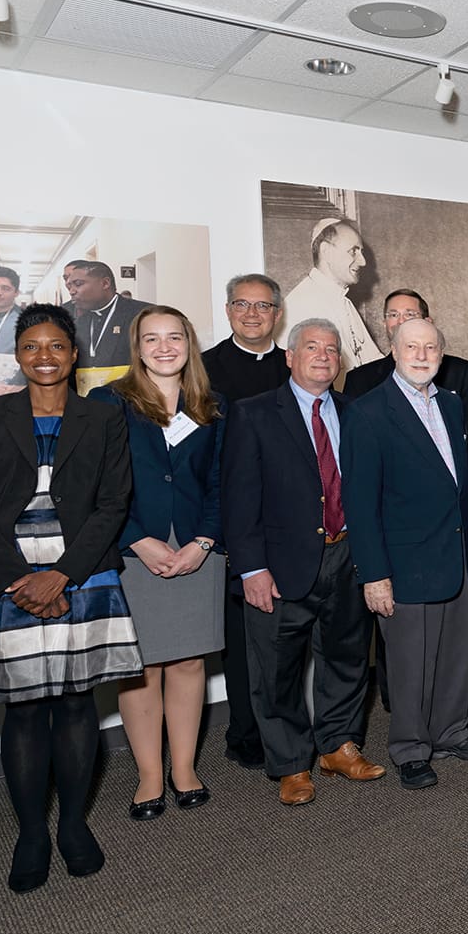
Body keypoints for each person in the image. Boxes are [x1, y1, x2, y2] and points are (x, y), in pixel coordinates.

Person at [0, 304, 140, 893]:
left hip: (84, 573)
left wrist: (63, 575)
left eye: (56, 346)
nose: (44, 357)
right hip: (8, 578)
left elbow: (113, 504)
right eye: (32, 347)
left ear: (74, 354)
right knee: (25, 709)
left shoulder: (101, 420)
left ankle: (74, 824)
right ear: (18, 355)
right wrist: (19, 578)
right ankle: (32, 832)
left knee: (78, 703)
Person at [222, 319, 386, 805]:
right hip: (278, 565)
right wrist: (251, 568)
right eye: (311, 347)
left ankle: (337, 745)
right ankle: (292, 764)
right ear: (289, 357)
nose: (323, 356)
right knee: (276, 670)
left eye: (332, 350)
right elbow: (238, 499)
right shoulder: (253, 414)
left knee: (348, 657)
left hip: (347, 555)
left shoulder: (357, 412)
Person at [343, 318, 468, 789]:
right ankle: (410, 749)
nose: (422, 354)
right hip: (402, 565)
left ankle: (451, 732)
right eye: (411, 346)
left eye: (431, 347)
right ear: (393, 350)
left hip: (455, 554)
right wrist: (373, 574)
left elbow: (462, 486)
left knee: (455, 656)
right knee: (410, 664)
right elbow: (360, 505)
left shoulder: (451, 405)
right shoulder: (368, 413)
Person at [88, 307, 225, 820]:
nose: (164, 347)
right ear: (137, 347)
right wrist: (137, 539)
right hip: (133, 552)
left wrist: (205, 540)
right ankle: (149, 774)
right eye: (152, 338)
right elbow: (97, 484)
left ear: (189, 343)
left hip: (198, 548)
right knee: (140, 667)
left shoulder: (212, 405)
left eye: (175, 337)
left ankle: (184, 768)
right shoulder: (109, 402)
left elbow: (220, 482)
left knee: (190, 661)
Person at [202, 272, 290, 771]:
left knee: (289, 637)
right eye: (242, 304)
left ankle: (291, 725)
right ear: (229, 309)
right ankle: (245, 732)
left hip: (294, 521)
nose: (252, 314)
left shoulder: (295, 365)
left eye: (263, 306)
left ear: (277, 313)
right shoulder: (205, 368)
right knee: (241, 640)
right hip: (236, 519)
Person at [282, 217, 383, 374]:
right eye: (353, 251)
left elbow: (373, 362)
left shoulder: (344, 302)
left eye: (361, 252)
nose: (362, 262)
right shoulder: (299, 304)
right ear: (326, 252)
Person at [344, 288, 468, 399]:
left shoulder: (459, 371)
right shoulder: (360, 380)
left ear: (428, 322)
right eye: (393, 315)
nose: (401, 321)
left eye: (409, 314)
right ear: (384, 323)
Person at [66, 260, 150, 387]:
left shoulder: (142, 315)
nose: (72, 291)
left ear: (105, 283)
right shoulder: (77, 325)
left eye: (78, 284)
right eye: (69, 287)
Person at [0, 264, 25, 395]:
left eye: (5, 288)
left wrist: (20, 387)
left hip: (13, 393)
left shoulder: (29, 322)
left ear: (16, 292)